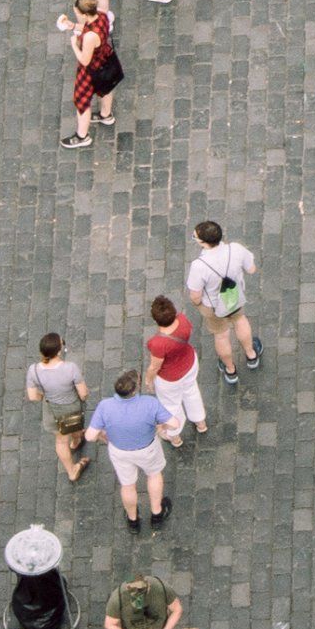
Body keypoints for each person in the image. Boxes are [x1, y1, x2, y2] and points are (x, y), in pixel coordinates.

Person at [87, 370, 179, 525]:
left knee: (128, 485)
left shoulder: (105, 406)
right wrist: (160, 426)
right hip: (147, 449)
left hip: (120, 452)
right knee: (154, 475)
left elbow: (89, 436)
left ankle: (133, 519)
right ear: (135, 389)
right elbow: (174, 423)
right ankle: (156, 513)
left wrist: (102, 436)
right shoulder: (149, 403)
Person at [187, 220, 261, 387]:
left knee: (221, 335)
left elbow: (195, 296)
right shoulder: (235, 248)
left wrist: (199, 306)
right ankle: (251, 355)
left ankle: (230, 370)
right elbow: (251, 269)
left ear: (203, 243)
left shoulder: (198, 266)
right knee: (240, 321)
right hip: (234, 297)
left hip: (213, 306)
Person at [26, 330, 91, 483]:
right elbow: (83, 393)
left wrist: (45, 397)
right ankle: (76, 442)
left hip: (52, 411)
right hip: (70, 409)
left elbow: (32, 396)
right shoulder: (70, 368)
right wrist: (84, 398)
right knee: (73, 428)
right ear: (59, 351)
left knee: (61, 441)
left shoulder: (33, 370)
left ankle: (71, 467)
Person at [144, 296, 207, 439]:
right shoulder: (183, 320)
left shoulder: (158, 343)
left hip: (170, 379)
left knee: (171, 405)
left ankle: (174, 435)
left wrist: (148, 381)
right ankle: (200, 422)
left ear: (156, 319)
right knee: (191, 391)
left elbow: (154, 367)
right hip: (190, 364)